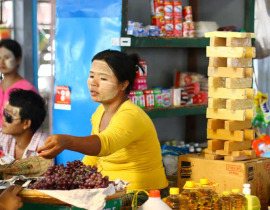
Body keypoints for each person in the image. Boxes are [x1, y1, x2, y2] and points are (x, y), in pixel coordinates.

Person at [38, 50, 169, 205]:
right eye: (92, 76)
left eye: (103, 78)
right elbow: (94, 157)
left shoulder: (131, 115)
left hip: (142, 194)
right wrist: (72, 177)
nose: (94, 82)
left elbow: (106, 143)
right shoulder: (100, 112)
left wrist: (67, 142)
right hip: (111, 190)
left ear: (123, 84)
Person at [0, 89, 48, 162]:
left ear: (26, 124)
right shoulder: (5, 135)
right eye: (4, 113)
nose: (3, 118)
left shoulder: (43, 148)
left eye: (8, 117)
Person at [0, 39, 38, 127]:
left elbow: (32, 122)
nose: (1, 62)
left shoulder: (26, 89)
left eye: (7, 58)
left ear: (18, 60)